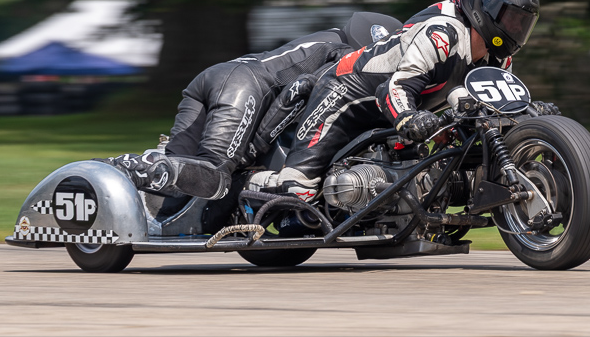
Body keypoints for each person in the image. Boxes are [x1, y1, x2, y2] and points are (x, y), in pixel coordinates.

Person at [251, 0, 559, 201]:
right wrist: (409, 117)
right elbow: (393, 90)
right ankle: (246, 184)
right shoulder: (442, 34)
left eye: (523, 23)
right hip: (346, 92)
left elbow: (489, 108)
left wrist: (526, 112)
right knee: (298, 191)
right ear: (484, 6)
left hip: (392, 109)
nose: (516, 30)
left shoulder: (497, 58)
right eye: (511, 20)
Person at [97, 12, 402, 199]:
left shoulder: (327, 39)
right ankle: (128, 169)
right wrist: (253, 149)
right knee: (214, 175)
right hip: (244, 84)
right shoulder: (345, 55)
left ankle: (122, 175)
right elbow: (299, 90)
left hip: (220, 75)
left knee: (182, 180)